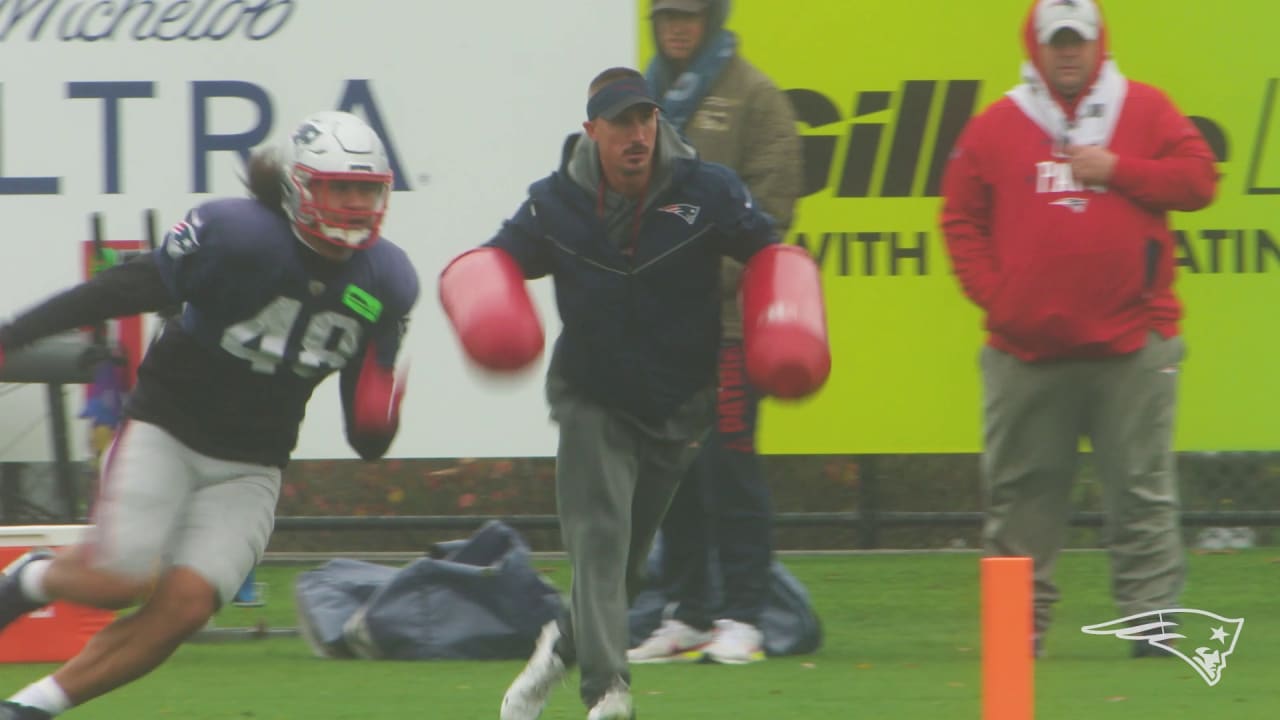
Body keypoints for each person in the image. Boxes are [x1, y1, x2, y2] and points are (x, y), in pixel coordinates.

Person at [0, 110, 419, 719]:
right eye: (339, 188)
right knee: (117, 580)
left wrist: (380, 419)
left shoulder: (386, 280)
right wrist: (14, 335)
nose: (355, 205)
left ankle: (31, 707)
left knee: (187, 606)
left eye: (367, 190)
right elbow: (123, 289)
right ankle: (29, 579)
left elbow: (365, 438)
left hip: (253, 463)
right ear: (302, 187)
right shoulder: (237, 237)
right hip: (167, 428)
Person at [440, 68, 824, 720]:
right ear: (593, 131)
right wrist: (484, 298)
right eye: (620, 122)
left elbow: (769, 251)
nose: (636, 134)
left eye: (644, 119)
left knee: (623, 571)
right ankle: (608, 694)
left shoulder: (707, 191)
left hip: (678, 403)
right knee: (598, 541)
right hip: (592, 396)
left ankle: (555, 650)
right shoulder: (554, 202)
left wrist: (788, 309)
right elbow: (495, 260)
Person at [939, 0, 1217, 659]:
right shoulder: (999, 125)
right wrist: (999, 299)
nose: (1069, 53)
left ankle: (1153, 628)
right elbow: (959, 219)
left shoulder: (1144, 109)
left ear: (1099, 44)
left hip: (1132, 344)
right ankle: (1016, 632)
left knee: (1142, 492)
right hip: (1024, 349)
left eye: (1079, 41)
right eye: (1056, 41)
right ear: (1036, 46)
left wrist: (1118, 169)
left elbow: (1200, 180)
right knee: (1018, 501)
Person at [628, 0, 803, 666]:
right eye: (666, 12)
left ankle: (745, 615)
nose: (677, 25)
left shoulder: (756, 97)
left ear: (714, 17)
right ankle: (689, 614)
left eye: (691, 13)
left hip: (727, 323)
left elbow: (771, 208)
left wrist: (691, 273)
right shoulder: (640, 99)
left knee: (730, 465)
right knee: (671, 469)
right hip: (658, 328)